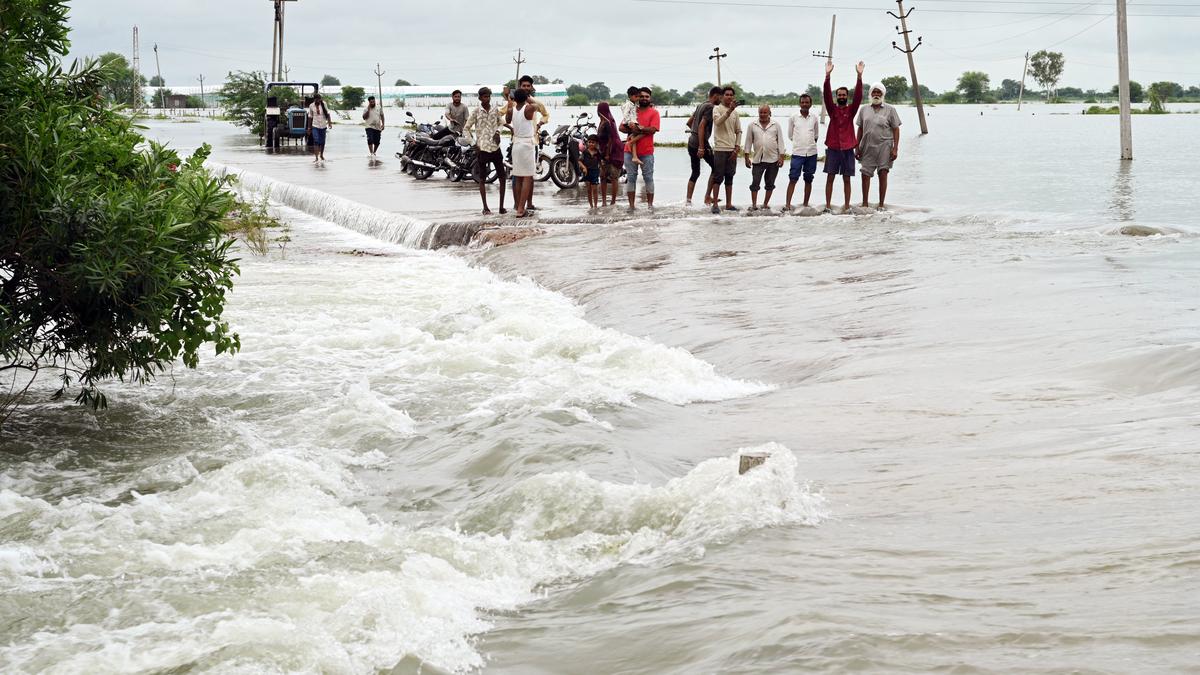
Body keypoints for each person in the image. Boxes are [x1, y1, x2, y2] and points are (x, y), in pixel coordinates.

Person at [500, 76, 551, 210]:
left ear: (532, 87)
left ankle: (529, 203)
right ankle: (518, 204)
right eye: (524, 86)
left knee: (529, 175)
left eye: (528, 86)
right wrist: (510, 128)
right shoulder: (515, 104)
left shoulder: (535, 103)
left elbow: (546, 114)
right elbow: (500, 114)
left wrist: (539, 124)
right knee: (518, 176)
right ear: (520, 86)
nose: (526, 88)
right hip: (518, 141)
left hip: (532, 141)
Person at [823, 60, 864, 213]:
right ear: (836, 96)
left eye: (844, 94)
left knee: (847, 179)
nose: (841, 96)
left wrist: (859, 77)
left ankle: (847, 206)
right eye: (839, 94)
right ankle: (828, 206)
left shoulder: (851, 110)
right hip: (833, 148)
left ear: (847, 96)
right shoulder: (832, 110)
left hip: (848, 149)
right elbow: (826, 95)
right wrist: (827, 76)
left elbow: (858, 97)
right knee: (830, 177)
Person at [855, 82, 902, 209]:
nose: (876, 94)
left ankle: (881, 204)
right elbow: (860, 128)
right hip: (867, 146)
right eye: (874, 92)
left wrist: (895, 148)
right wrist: (857, 147)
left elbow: (896, 129)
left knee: (883, 173)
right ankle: (865, 204)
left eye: (879, 92)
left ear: (883, 94)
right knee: (865, 174)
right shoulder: (864, 109)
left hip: (885, 146)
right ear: (870, 94)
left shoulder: (890, 109)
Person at [462, 86, 507, 215]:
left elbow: (501, 122)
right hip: (482, 148)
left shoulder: (495, 109)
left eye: (489, 96)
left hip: (495, 147)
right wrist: (473, 143)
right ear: (480, 98)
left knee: (502, 177)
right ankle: (485, 207)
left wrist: (498, 132)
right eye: (485, 97)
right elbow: (466, 129)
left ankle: (501, 207)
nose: (487, 99)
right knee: (482, 178)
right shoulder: (476, 111)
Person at [620, 87, 660, 211]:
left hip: (647, 152)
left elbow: (653, 129)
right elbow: (621, 128)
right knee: (631, 178)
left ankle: (650, 206)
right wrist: (634, 129)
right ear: (637, 97)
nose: (644, 98)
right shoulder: (632, 110)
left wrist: (639, 129)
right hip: (629, 151)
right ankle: (631, 206)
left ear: (650, 98)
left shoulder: (654, 113)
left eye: (647, 96)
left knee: (648, 178)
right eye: (641, 96)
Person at [743, 105, 786, 211]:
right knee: (755, 182)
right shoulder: (752, 125)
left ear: (769, 113)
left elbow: (780, 142)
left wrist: (781, 157)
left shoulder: (776, 125)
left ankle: (765, 204)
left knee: (770, 183)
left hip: (773, 159)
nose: (762, 114)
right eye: (761, 112)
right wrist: (746, 157)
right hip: (758, 159)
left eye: (765, 112)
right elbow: (748, 142)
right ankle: (754, 205)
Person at [709, 86, 743, 214]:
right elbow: (718, 122)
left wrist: (737, 147)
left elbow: (738, 131)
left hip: (732, 149)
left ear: (733, 97)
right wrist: (729, 110)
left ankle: (728, 204)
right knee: (718, 177)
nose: (729, 97)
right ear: (722, 96)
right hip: (720, 148)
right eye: (726, 94)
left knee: (730, 177)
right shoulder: (717, 109)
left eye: (731, 95)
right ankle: (715, 204)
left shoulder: (735, 113)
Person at [686, 86, 722, 206]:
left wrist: (694, 133)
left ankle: (688, 201)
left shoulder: (701, 105)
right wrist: (701, 146)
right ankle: (707, 197)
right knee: (716, 168)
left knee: (695, 172)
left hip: (691, 142)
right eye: (721, 97)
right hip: (700, 143)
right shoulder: (710, 107)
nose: (721, 100)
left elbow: (689, 122)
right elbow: (701, 126)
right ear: (716, 96)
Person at [505, 88, 537, 218]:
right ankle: (521, 209)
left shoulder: (511, 110)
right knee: (527, 177)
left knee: (518, 177)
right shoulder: (529, 108)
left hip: (516, 144)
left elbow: (507, 120)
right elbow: (537, 105)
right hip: (526, 144)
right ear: (526, 98)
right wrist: (529, 98)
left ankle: (518, 206)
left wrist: (509, 101)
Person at [785, 93, 820, 210]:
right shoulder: (793, 117)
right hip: (797, 153)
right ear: (800, 103)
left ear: (811, 104)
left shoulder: (814, 117)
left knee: (809, 179)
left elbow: (816, 135)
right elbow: (790, 135)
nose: (805, 104)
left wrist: (809, 144)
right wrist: (800, 144)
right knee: (793, 178)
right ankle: (788, 205)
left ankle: (805, 204)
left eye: (807, 102)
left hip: (811, 153)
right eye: (803, 102)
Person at [596, 101, 624, 206]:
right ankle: (604, 201)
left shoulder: (608, 122)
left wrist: (608, 154)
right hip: (603, 152)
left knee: (614, 177)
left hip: (613, 152)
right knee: (602, 176)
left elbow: (610, 139)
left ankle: (613, 201)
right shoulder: (601, 122)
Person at [620, 86, 645, 166]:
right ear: (630, 96)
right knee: (643, 132)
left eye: (638, 96)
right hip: (630, 122)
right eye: (636, 96)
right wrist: (629, 122)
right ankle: (630, 143)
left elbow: (636, 110)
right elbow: (625, 114)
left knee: (635, 135)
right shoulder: (628, 104)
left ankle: (634, 156)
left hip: (633, 122)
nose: (638, 98)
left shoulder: (634, 104)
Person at [306, 93, 332, 164]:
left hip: (323, 125)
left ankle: (321, 155)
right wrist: (309, 128)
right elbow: (310, 117)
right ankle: (316, 157)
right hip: (315, 126)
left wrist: (329, 123)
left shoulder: (324, 104)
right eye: (317, 99)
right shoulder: (311, 106)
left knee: (322, 142)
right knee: (316, 140)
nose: (318, 101)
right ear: (314, 99)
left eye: (319, 99)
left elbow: (328, 113)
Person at [578, 135, 603, 210]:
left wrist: (602, 170)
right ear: (587, 143)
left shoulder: (598, 153)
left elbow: (600, 162)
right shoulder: (585, 152)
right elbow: (579, 161)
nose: (591, 144)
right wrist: (584, 167)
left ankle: (595, 206)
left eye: (593, 142)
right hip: (586, 173)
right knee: (589, 190)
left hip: (595, 172)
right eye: (589, 142)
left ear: (596, 144)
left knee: (595, 190)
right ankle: (591, 206)